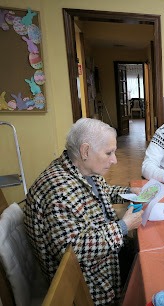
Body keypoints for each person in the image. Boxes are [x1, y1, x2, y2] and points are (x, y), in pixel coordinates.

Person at [24, 118, 143, 306]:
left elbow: (103, 192)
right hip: (91, 281)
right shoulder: (59, 192)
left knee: (145, 253)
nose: (114, 160)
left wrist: (129, 193)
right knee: (148, 276)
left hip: (104, 254)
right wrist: (123, 227)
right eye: (108, 153)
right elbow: (74, 252)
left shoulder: (81, 169)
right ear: (85, 151)